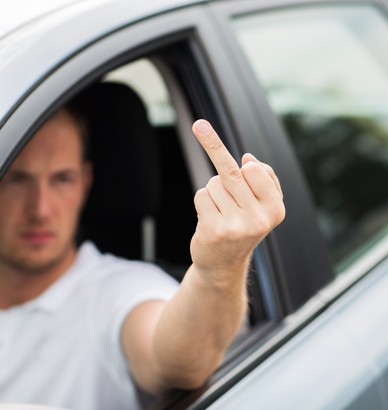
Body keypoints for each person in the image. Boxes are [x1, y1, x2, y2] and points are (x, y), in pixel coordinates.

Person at [0, 107, 285, 409]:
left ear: (86, 181)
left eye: (62, 179)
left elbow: (180, 364)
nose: (40, 210)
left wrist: (220, 268)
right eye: (17, 178)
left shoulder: (118, 291)